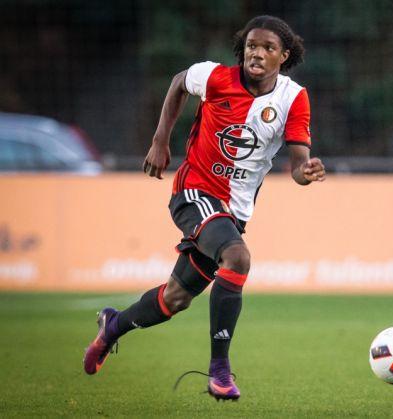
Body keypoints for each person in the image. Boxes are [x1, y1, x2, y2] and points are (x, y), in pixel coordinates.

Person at [83, 15, 325, 401]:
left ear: (284, 56)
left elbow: (298, 165)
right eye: (251, 45)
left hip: (233, 212)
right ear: (242, 49)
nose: (257, 53)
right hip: (194, 192)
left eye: (268, 48)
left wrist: (306, 172)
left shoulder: (293, 98)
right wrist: (160, 141)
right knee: (238, 258)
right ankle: (220, 371)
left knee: (175, 299)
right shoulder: (214, 77)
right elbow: (179, 82)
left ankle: (113, 326)